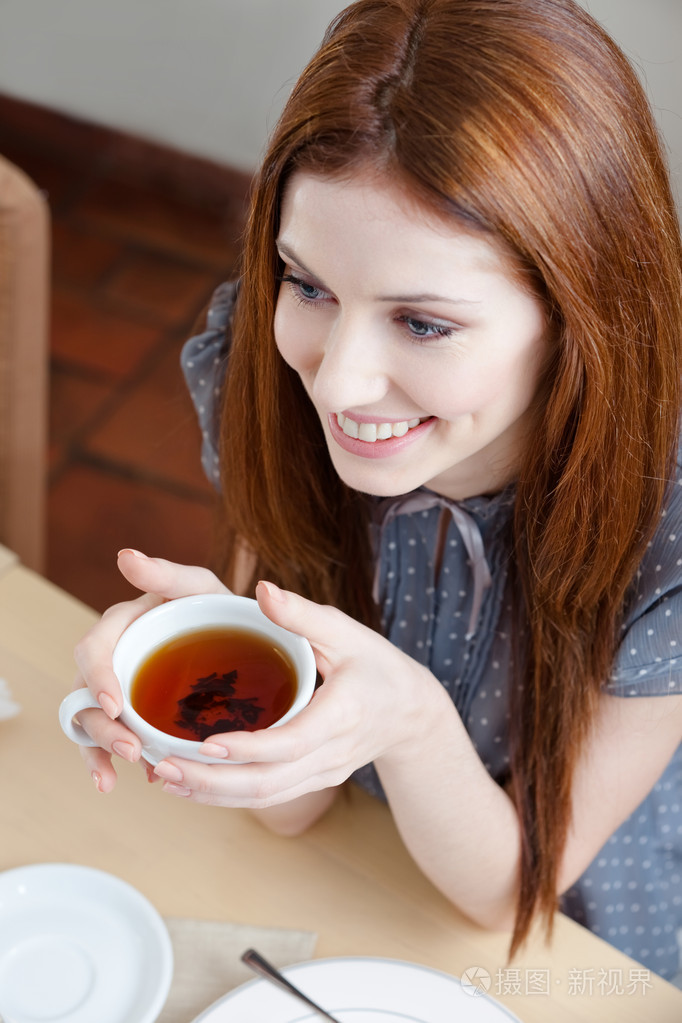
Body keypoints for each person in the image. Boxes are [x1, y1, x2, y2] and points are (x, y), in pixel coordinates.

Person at [72, 0, 682, 980]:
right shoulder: (264, 375)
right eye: (306, 284)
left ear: (581, 317)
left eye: (424, 323)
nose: (337, 381)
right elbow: (292, 810)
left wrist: (407, 717)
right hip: (361, 859)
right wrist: (211, 664)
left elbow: (506, 894)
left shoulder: (671, 527)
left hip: (574, 929)